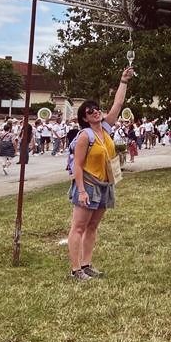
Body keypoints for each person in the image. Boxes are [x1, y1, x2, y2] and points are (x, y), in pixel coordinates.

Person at [67, 66, 133, 281]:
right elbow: (77, 165)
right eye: (90, 111)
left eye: (96, 108)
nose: (95, 111)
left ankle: (86, 264)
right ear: (84, 118)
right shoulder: (85, 136)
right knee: (78, 227)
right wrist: (82, 191)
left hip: (105, 184)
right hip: (88, 185)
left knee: (93, 227)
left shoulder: (105, 129)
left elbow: (118, 104)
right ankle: (76, 269)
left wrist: (123, 81)